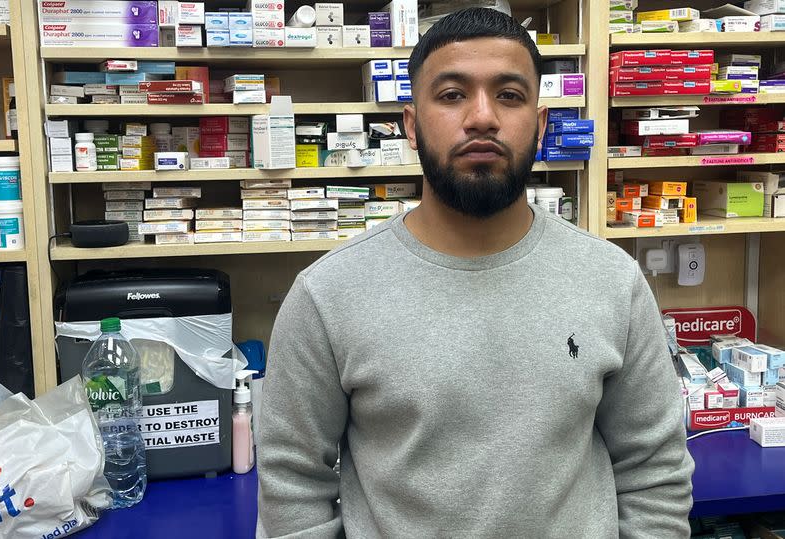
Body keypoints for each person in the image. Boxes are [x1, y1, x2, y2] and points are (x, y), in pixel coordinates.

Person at [257, 8, 694, 538]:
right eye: (451, 94)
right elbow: (292, 487)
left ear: (541, 123)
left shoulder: (612, 281)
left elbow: (655, 474)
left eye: (509, 95)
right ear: (412, 126)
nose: (482, 117)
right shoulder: (328, 294)